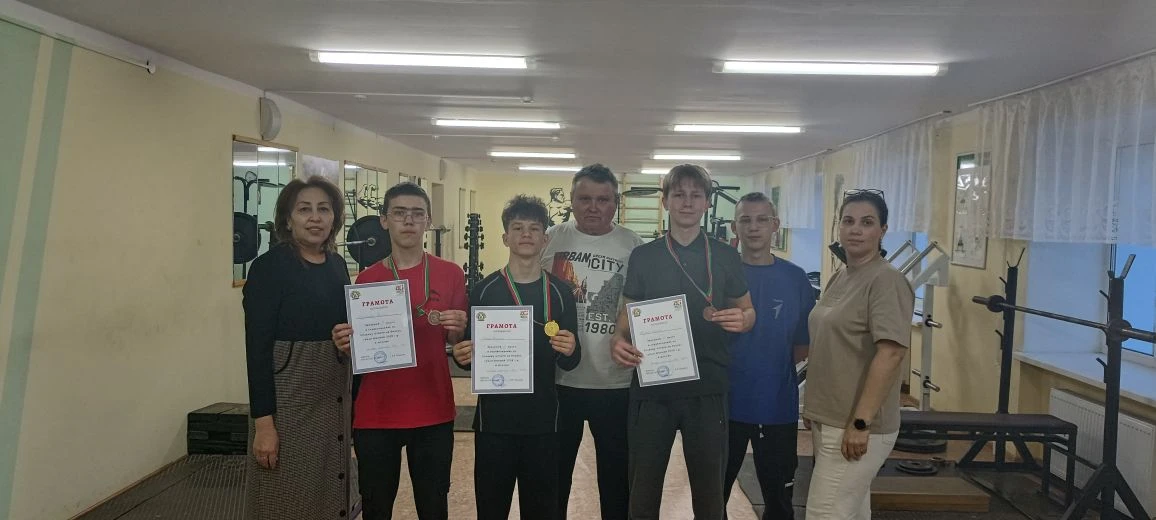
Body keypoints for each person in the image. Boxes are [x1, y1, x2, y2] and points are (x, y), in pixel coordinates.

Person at [610, 164, 755, 520]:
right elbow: (627, 313)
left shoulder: (726, 255)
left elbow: (747, 310)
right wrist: (617, 339)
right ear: (665, 201)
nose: (687, 202)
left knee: (709, 494)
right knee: (643, 491)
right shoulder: (644, 255)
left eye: (695, 195)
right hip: (652, 388)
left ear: (707, 203)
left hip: (707, 388)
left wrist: (744, 320)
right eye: (679, 195)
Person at [330, 182, 468, 520]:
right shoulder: (366, 280)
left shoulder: (450, 274)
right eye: (400, 213)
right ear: (384, 220)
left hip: (433, 409)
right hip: (377, 412)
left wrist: (459, 328)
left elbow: (456, 342)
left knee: (433, 507)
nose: (409, 220)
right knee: (376, 508)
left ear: (428, 221)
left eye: (417, 214)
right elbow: (359, 350)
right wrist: (346, 343)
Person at [452, 195, 583, 520]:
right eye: (518, 227)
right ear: (505, 237)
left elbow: (570, 360)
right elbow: (469, 356)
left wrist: (571, 349)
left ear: (545, 239)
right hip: (494, 423)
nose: (526, 234)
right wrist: (462, 356)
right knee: (491, 510)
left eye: (534, 228)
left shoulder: (561, 293)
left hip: (544, 423)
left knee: (542, 511)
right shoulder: (484, 291)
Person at [242, 176, 358, 519]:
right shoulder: (268, 268)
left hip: (333, 394)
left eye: (324, 209)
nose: (315, 218)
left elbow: (343, 327)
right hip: (289, 401)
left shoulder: (337, 265)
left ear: (334, 218)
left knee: (330, 489)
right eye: (304, 209)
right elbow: (257, 350)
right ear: (288, 219)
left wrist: (348, 342)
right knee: (286, 496)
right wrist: (264, 425)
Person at [540, 164, 643, 520]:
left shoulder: (633, 245)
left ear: (615, 202)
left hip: (615, 383)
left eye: (603, 199)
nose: (594, 207)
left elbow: (643, 305)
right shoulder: (550, 238)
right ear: (572, 200)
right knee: (553, 479)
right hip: (558, 381)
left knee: (616, 482)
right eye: (585, 199)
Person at [803, 189, 912, 520]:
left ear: (882, 230)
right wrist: (814, 407)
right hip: (829, 418)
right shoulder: (841, 275)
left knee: (824, 514)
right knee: (850, 512)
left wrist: (861, 422)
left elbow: (891, 354)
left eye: (867, 222)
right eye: (848, 221)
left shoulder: (886, 280)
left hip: (857, 424)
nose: (855, 230)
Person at [721, 193, 815, 520]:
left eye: (762, 219)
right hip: (724, 406)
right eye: (745, 220)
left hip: (777, 407)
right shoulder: (720, 275)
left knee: (779, 504)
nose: (754, 227)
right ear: (734, 226)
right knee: (712, 500)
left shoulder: (795, 278)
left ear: (775, 225)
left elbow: (802, 344)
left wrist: (771, 369)